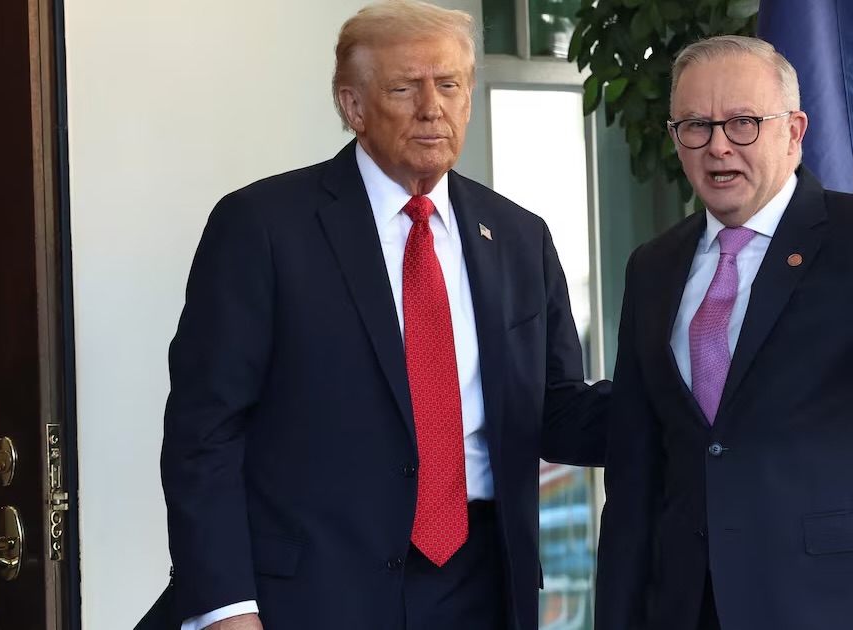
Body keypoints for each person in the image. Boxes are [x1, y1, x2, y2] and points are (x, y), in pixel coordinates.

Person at [159, 2, 609, 629]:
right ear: (353, 107)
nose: (433, 107)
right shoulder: (262, 228)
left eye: (449, 84)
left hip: (480, 589)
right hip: (311, 595)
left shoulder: (518, 237)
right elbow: (204, 435)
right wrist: (225, 607)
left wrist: (679, 400)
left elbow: (555, 408)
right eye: (405, 88)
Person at [593, 34, 853, 630]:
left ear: (794, 131)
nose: (717, 147)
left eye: (742, 123)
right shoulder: (653, 266)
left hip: (842, 605)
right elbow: (635, 476)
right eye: (694, 125)